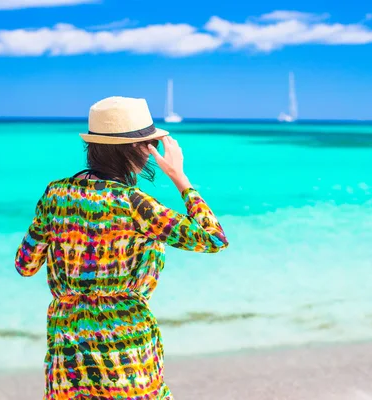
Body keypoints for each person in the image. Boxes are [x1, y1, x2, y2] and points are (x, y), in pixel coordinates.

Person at [15, 96, 228, 399]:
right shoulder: (134, 204)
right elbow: (214, 238)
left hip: (68, 351)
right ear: (136, 149)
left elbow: (25, 266)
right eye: (148, 145)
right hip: (125, 350)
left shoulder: (55, 194)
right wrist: (181, 179)